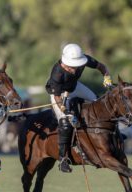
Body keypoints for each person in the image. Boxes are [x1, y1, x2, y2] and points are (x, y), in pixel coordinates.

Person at [45, 43, 113, 173]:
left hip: (75, 87)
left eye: (77, 66)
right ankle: (63, 159)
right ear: (64, 62)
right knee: (65, 122)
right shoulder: (57, 74)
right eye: (72, 66)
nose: (75, 69)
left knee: (97, 102)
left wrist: (107, 77)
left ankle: (114, 135)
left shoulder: (84, 60)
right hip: (58, 95)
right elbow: (58, 98)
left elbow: (101, 66)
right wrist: (66, 111)